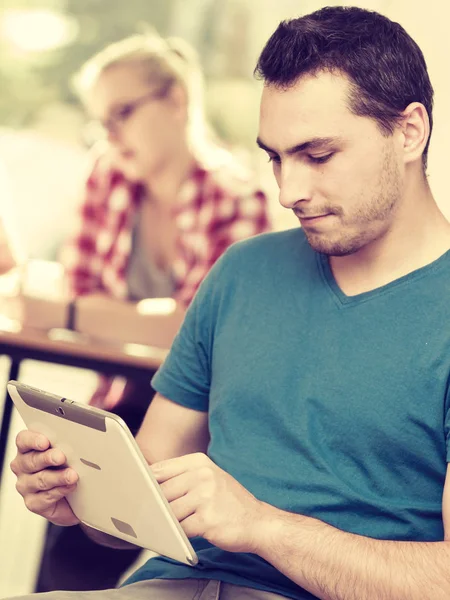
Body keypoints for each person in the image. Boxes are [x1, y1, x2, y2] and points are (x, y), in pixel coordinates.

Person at [9, 5, 450, 600]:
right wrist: (77, 495)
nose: (289, 191)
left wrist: (260, 526)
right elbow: (143, 500)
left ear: (409, 131)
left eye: (318, 156)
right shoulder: (241, 272)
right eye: (275, 157)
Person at [32, 31, 271, 593]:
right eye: (101, 122)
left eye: (122, 114)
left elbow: (197, 333)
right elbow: (82, 291)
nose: (110, 136)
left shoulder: (237, 199)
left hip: (200, 413)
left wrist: (77, 310)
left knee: (190, 553)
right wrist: (96, 311)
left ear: (177, 101)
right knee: (70, 526)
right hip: (122, 396)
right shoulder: (106, 174)